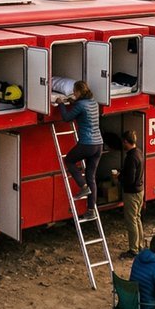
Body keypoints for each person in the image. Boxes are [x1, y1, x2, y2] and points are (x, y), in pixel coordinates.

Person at [56, 80, 102, 220]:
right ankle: (90, 210)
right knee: (91, 177)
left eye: (75, 92)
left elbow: (66, 118)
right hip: (98, 144)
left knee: (69, 160)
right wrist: (73, 102)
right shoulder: (93, 103)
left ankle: (83, 186)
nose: (74, 94)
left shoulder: (80, 105)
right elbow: (82, 109)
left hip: (87, 144)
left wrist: (61, 104)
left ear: (80, 92)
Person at [117, 130, 144, 259]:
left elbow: (130, 180)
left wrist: (119, 177)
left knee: (131, 221)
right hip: (140, 191)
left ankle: (133, 249)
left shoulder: (131, 157)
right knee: (137, 218)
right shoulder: (139, 152)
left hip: (131, 193)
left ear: (126, 142)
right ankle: (140, 245)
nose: (123, 144)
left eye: (123, 142)